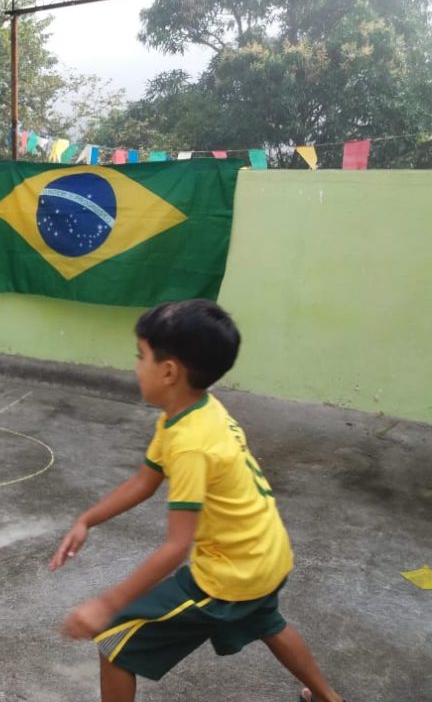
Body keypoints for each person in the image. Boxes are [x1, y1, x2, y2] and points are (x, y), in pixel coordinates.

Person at [49, 300, 343, 702]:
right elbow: (144, 481)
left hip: (229, 574)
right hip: (266, 551)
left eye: (141, 357)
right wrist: (87, 519)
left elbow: (175, 547)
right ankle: (331, 699)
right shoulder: (193, 410)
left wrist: (106, 604)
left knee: (114, 644)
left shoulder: (190, 445)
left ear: (169, 372)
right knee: (266, 621)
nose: (136, 366)